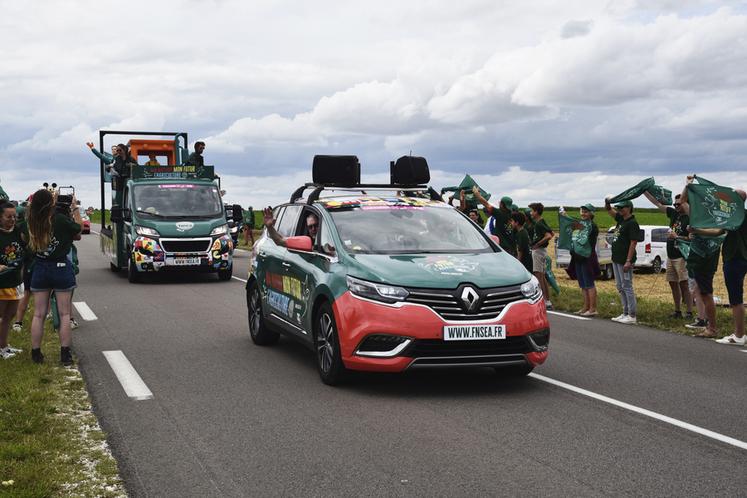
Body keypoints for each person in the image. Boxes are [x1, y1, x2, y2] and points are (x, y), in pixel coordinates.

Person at [25, 189, 82, 365]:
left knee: (39, 314)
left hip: (40, 267)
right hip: (60, 267)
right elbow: (78, 230)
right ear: (51, 203)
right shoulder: (60, 220)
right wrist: (74, 208)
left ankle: (36, 353)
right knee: (65, 314)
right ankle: (65, 355)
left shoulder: (32, 220)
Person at [643, 191, 693, 319]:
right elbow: (658, 204)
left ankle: (689, 311)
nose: (676, 206)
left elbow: (692, 239)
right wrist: (645, 192)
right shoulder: (674, 215)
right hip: (670, 255)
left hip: (681, 255)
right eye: (674, 204)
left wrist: (677, 236)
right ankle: (677, 311)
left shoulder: (690, 218)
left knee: (684, 283)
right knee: (672, 282)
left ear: (686, 203)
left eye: (679, 204)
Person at [716, 189, 747, 346]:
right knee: (736, 297)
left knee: (736, 299)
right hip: (739, 258)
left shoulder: (736, 217)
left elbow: (718, 231)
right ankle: (739, 333)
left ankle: (739, 335)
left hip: (735, 258)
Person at [604, 199, 643, 324]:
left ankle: (632, 315)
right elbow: (609, 210)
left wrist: (628, 260)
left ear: (629, 208)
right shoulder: (621, 220)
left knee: (627, 286)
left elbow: (633, 242)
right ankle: (625, 312)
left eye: (622, 208)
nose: (620, 210)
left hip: (625, 260)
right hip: (616, 258)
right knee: (620, 286)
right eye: (619, 208)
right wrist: (607, 202)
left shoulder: (632, 223)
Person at [0, 202, 25, 359]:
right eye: (8, 217)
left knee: (9, 315)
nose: (12, 220)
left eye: (15, 216)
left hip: (15, 281)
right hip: (1, 283)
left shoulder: (18, 231)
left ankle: (4, 346)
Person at [570, 204, 599, 316]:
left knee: (589, 283)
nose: (583, 214)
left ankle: (592, 309)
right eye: (582, 211)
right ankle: (585, 307)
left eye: (586, 212)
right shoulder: (580, 225)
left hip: (587, 256)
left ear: (591, 213)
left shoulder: (593, 226)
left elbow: (587, 242)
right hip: (577, 256)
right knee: (582, 284)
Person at [473, 186, 516, 256]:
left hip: (502, 247)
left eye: (500, 203)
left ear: (502, 204)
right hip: (511, 247)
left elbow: (486, 204)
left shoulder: (500, 213)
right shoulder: (511, 214)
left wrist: (477, 194)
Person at [528, 202, 554, 309]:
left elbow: (548, 236)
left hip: (538, 251)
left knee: (539, 276)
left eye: (532, 211)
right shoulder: (542, 221)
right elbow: (551, 233)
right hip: (542, 251)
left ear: (536, 212)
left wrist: (537, 244)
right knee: (542, 276)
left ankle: (544, 299)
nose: (531, 213)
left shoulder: (538, 223)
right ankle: (547, 300)